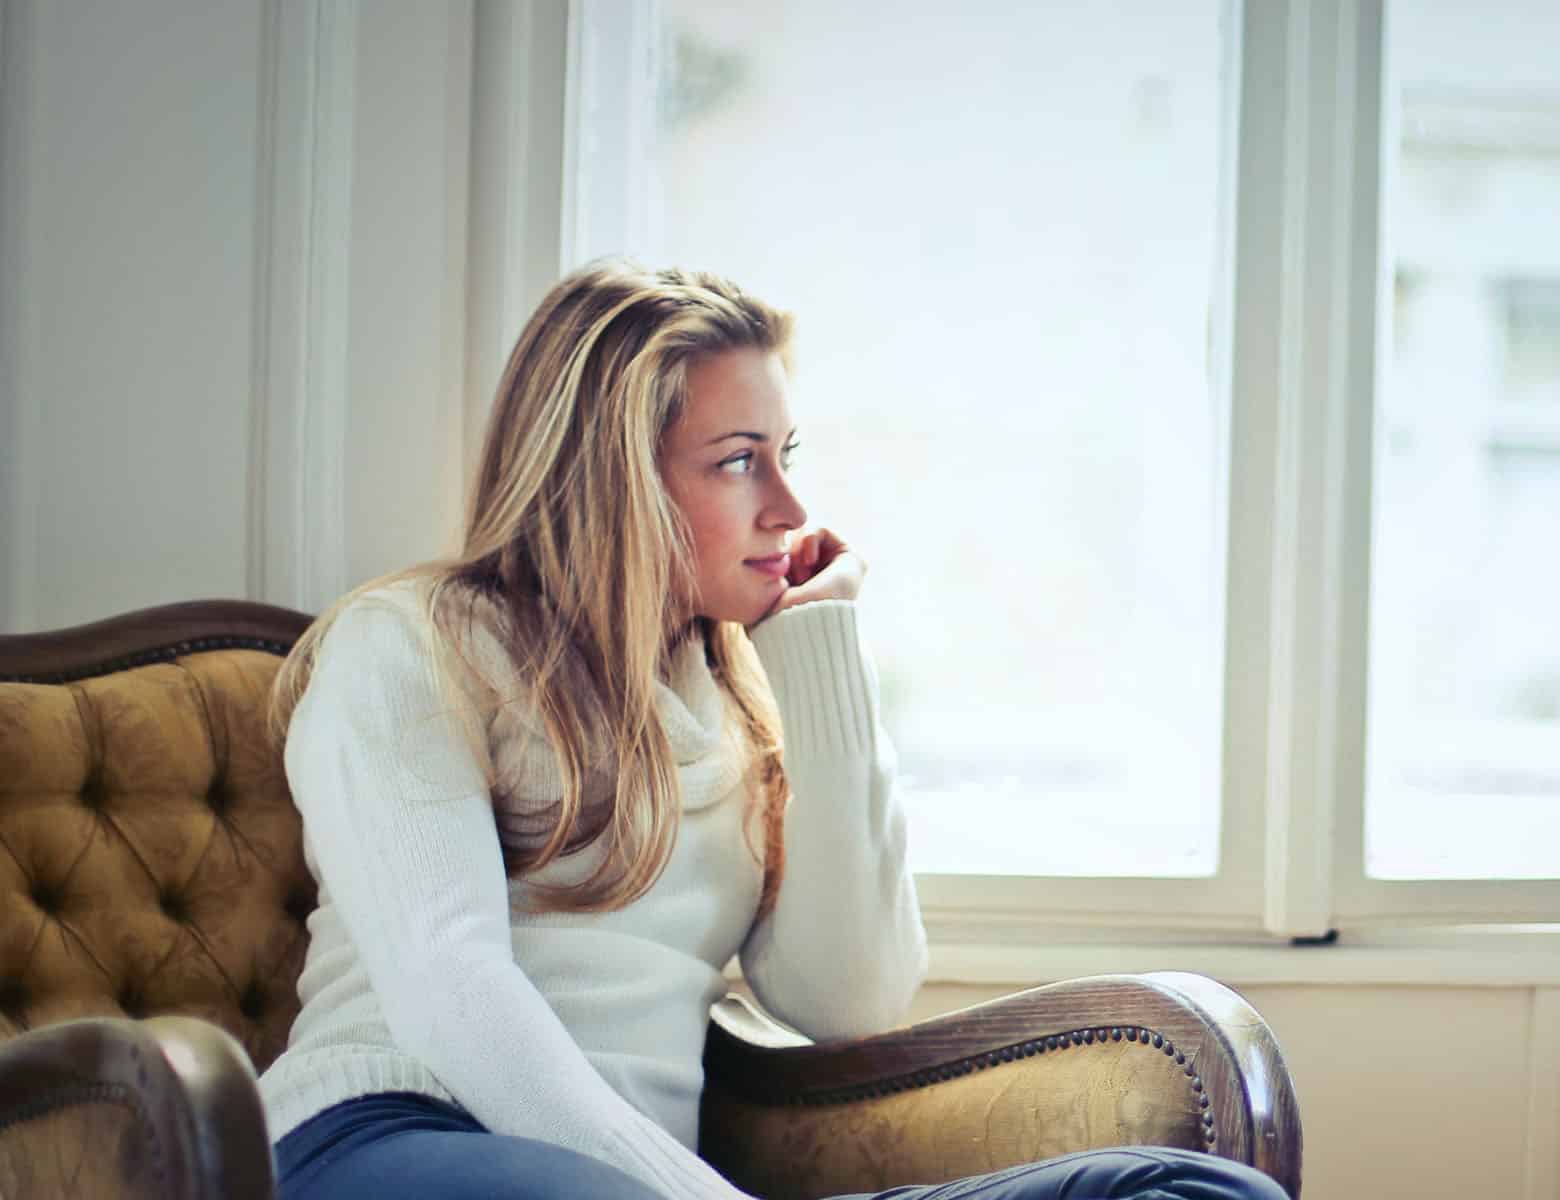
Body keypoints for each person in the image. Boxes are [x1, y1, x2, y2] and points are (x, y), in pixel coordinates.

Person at [258, 260, 1289, 1200]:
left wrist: (821, 650)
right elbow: (453, 995)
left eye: (785, 454)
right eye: (739, 461)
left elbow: (848, 998)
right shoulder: (410, 647)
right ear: (614, 477)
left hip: (650, 1183)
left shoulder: (729, 691)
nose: (790, 505)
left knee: (1188, 1195)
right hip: (383, 1137)